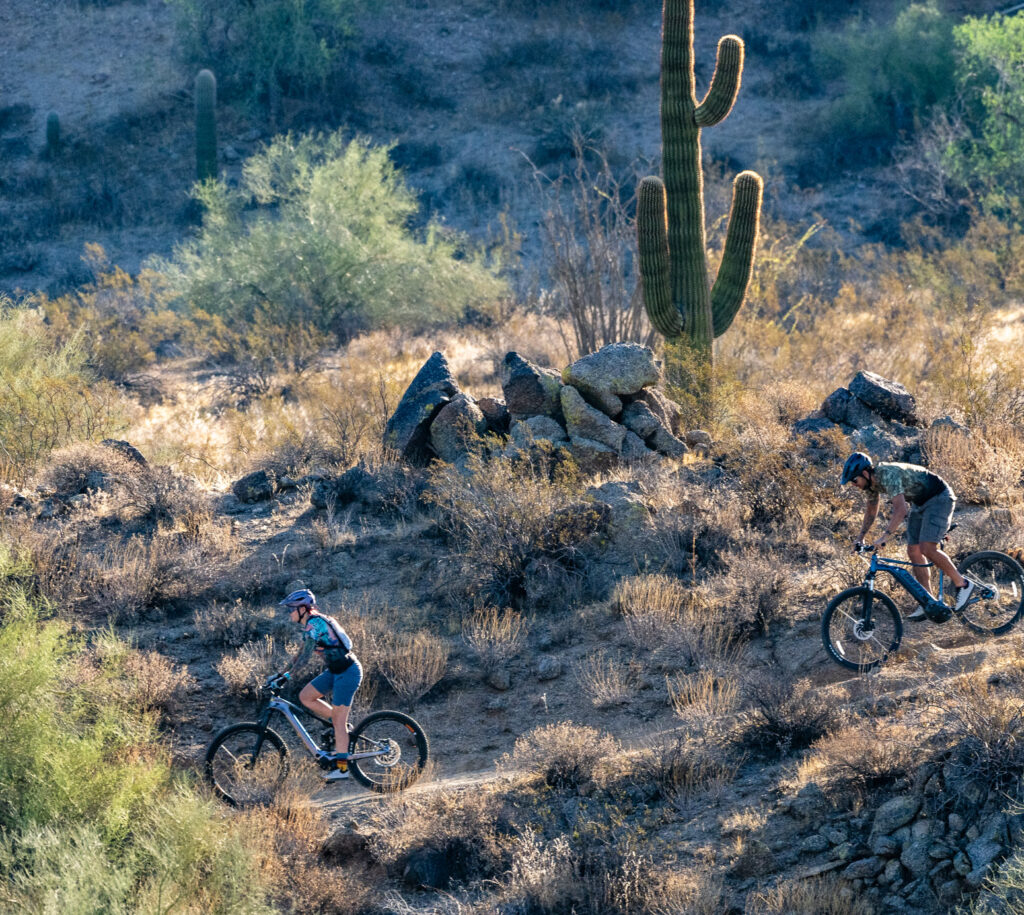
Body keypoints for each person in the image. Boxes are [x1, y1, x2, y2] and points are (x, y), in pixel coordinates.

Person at [841, 452, 974, 620]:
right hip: (920, 503)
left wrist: (885, 536)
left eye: (854, 480)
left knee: (927, 548)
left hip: (939, 497)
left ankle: (963, 584)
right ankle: (928, 601)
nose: (853, 485)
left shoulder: (886, 474)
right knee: (913, 551)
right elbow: (871, 510)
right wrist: (860, 537)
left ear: (866, 473)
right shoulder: (871, 485)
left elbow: (901, 510)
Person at [278, 588, 362, 781]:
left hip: (348, 672)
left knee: (338, 722)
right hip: (335, 671)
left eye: (291, 608)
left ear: (303, 609)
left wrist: (287, 677)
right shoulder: (311, 624)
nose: (289, 612)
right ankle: (341, 726)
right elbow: (299, 655)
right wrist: (280, 674)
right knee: (305, 697)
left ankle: (343, 769)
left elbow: (305, 658)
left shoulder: (315, 624)